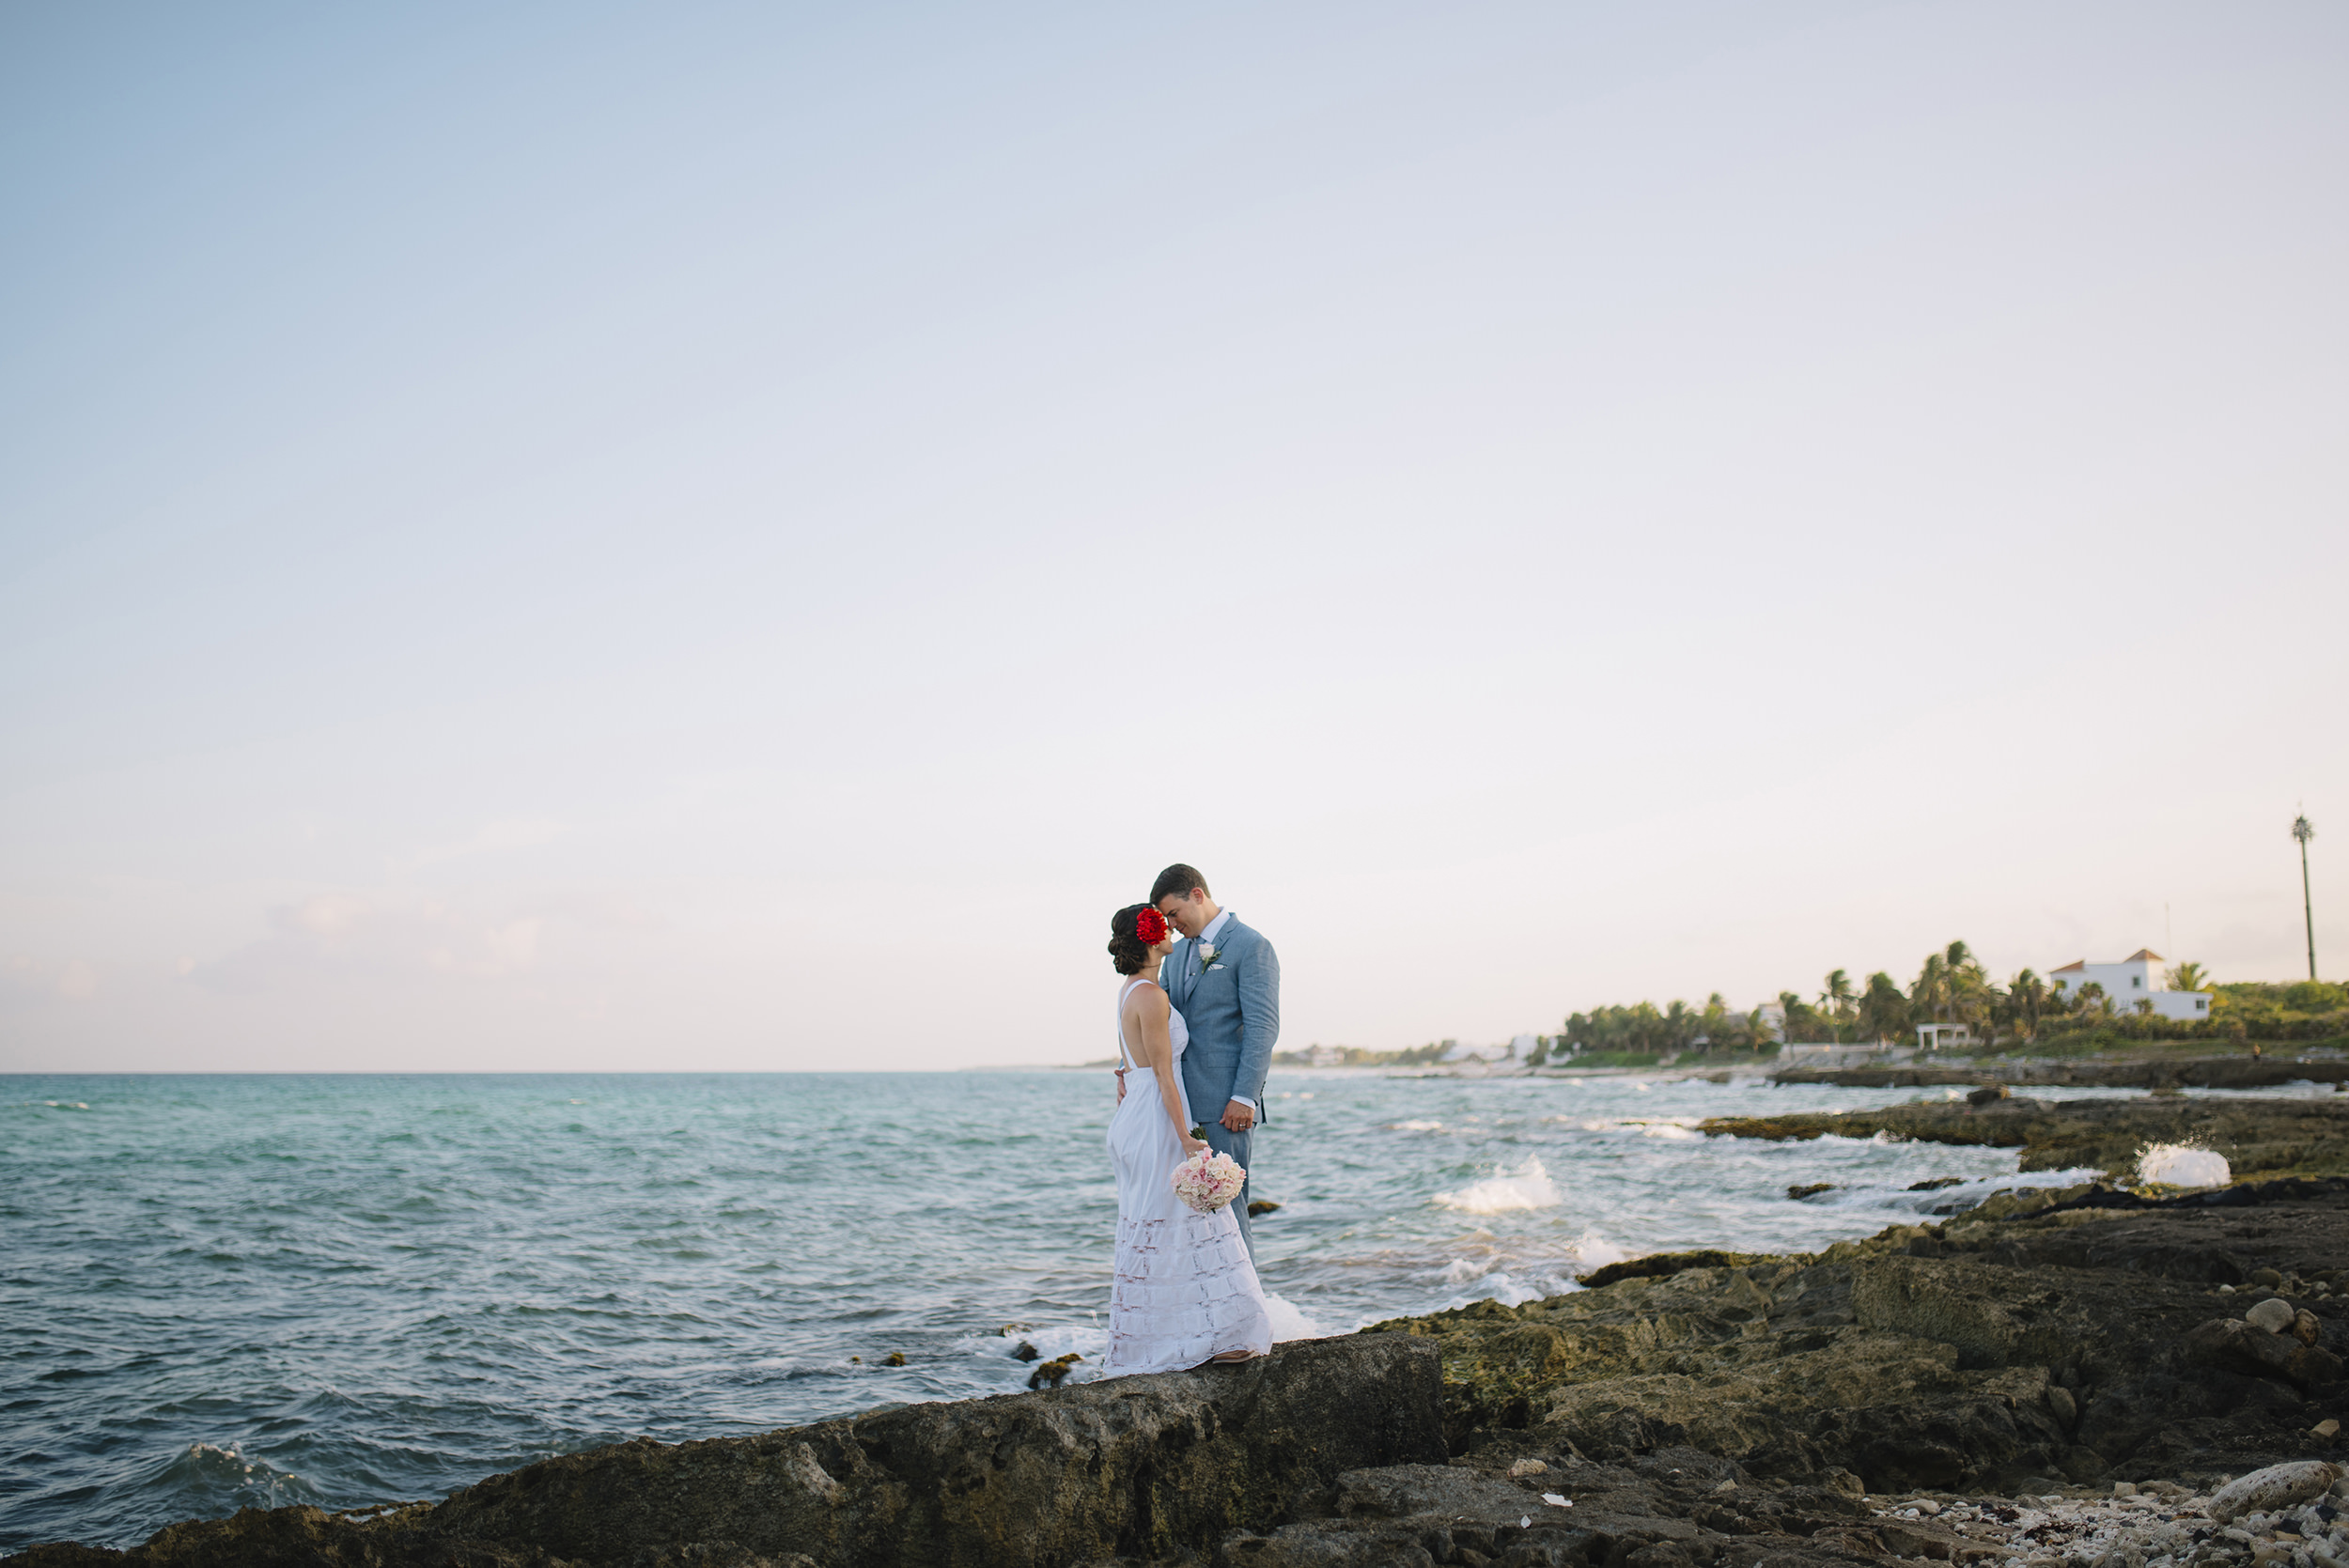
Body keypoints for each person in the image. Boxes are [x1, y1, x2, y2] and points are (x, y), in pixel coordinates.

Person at [1100, 903, 1271, 1374]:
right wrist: (1188, 1137)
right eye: (1163, 925)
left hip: (1136, 1114)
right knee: (1189, 1223)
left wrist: (1124, 1074)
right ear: (1151, 940)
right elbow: (1163, 1076)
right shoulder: (1152, 996)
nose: (1172, 928)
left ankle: (1171, 1336)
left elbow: (1135, 1062)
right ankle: (1214, 1335)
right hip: (1156, 1118)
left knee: (1156, 1225)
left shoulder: (1130, 990)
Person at [1151, 863, 1279, 1257]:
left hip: (1228, 1106)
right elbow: (1162, 1019)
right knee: (1193, 1224)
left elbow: (1263, 1026)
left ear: (1198, 895)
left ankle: (1250, 1315)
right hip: (1182, 1106)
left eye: (1174, 913)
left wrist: (1245, 1096)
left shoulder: (1251, 945)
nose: (1171, 926)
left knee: (1230, 1218)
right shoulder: (1175, 955)